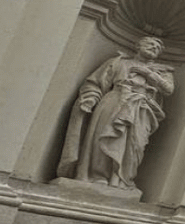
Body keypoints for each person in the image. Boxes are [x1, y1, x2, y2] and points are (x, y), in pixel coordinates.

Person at [58, 35, 175, 189]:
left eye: (158, 48)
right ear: (138, 45)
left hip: (142, 108)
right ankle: (97, 176)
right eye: (150, 44)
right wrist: (90, 99)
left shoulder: (162, 70)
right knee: (102, 136)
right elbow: (96, 82)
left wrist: (148, 74)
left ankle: (121, 179)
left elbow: (168, 89)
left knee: (135, 145)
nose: (154, 48)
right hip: (115, 100)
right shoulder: (118, 62)